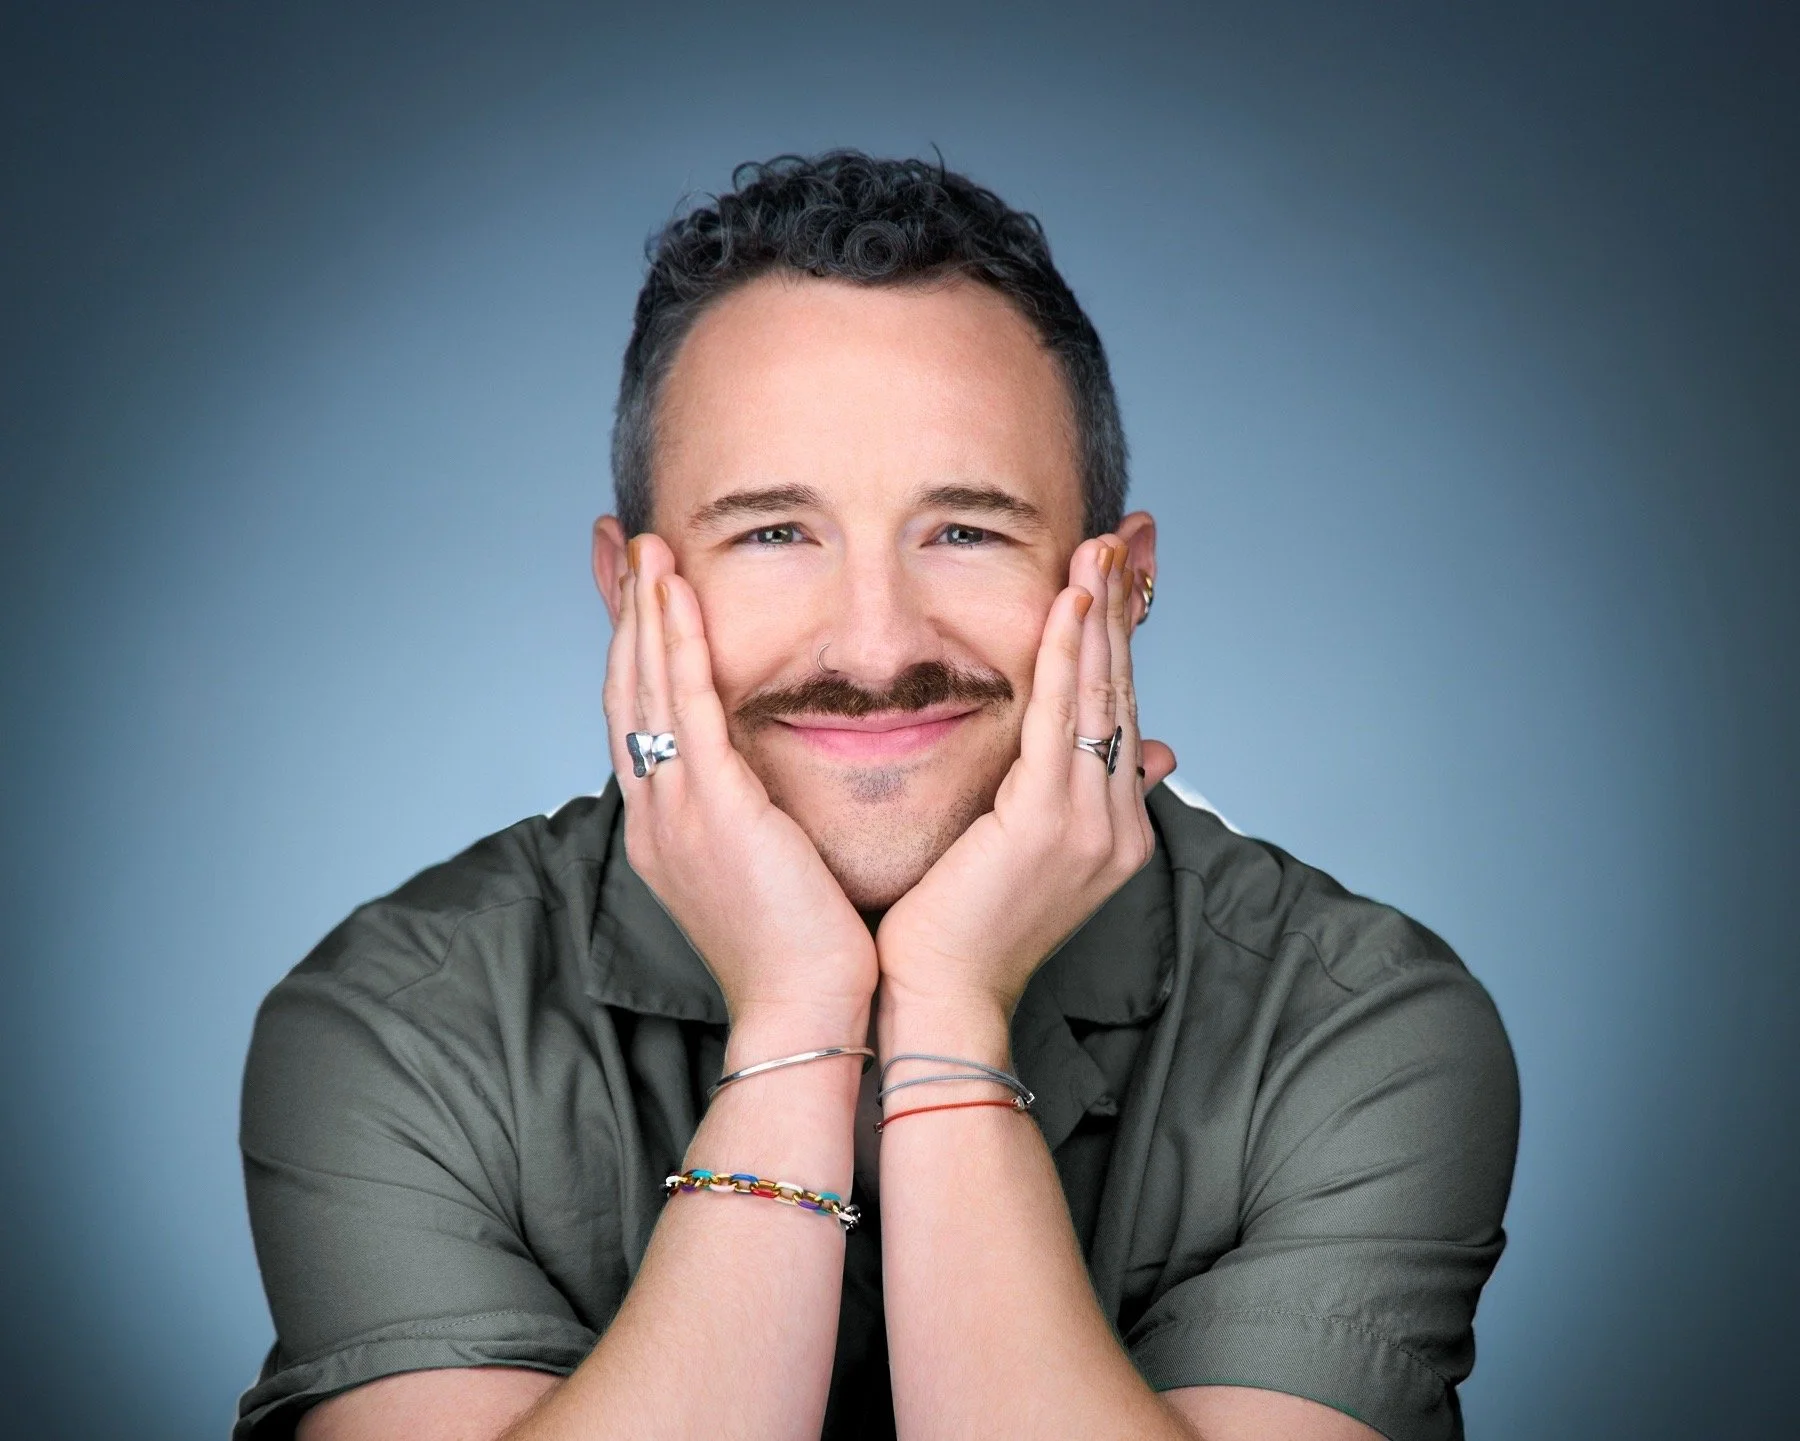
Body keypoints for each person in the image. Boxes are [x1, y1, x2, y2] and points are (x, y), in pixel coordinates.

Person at [235, 151, 1519, 1441]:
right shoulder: (401, 1025)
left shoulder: (1352, 1031)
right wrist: (800, 1014)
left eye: (965, 531)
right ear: (630, 593)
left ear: (1121, 585)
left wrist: (952, 1006)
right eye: (772, 533)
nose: (874, 645)